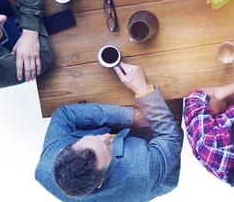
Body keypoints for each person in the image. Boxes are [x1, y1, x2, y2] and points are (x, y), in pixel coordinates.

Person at [35, 63, 183, 201]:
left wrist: (130, 116)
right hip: (155, 151)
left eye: (93, 138)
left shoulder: (45, 166)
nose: (106, 137)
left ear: (61, 150)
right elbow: (169, 135)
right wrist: (142, 89)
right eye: (106, 147)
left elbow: (64, 115)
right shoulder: (143, 173)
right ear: (100, 182)